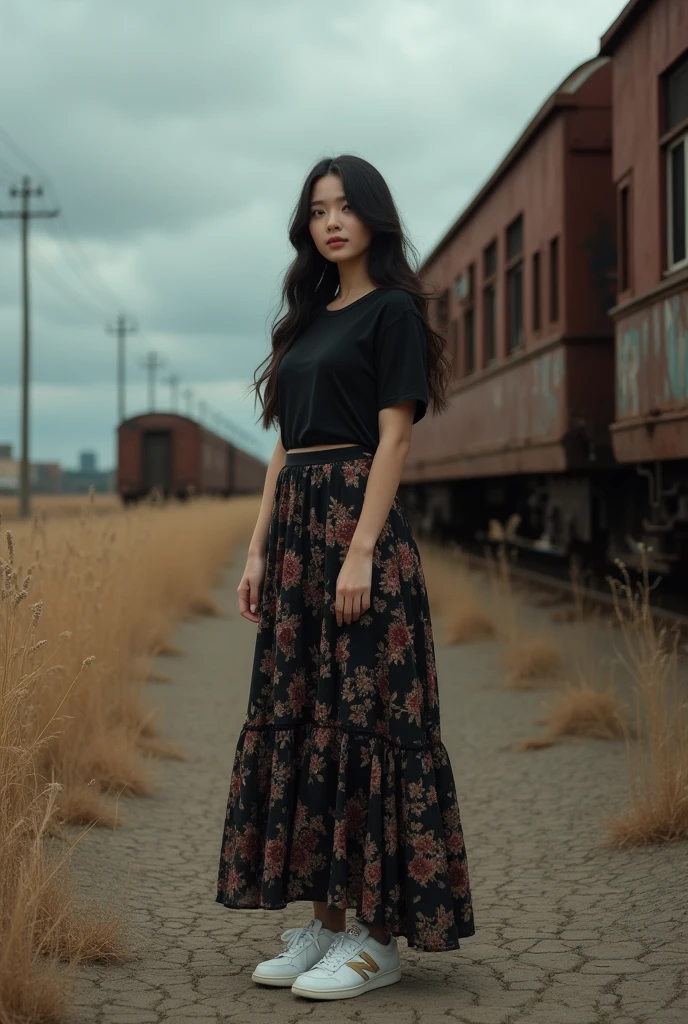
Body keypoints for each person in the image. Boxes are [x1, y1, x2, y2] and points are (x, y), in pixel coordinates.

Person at [215, 154, 475, 1001]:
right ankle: (325, 925)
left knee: (366, 722)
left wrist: (361, 549)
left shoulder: (393, 311)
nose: (332, 222)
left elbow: (394, 439)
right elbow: (285, 447)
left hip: (358, 530)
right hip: (296, 534)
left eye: (346, 208)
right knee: (306, 719)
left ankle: (378, 939)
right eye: (318, 210)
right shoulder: (305, 319)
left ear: (373, 217)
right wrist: (257, 550)